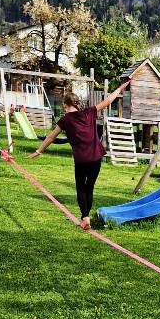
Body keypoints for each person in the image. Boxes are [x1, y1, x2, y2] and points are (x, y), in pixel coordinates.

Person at [26, 81, 130, 229]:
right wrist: (120, 88)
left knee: (81, 188)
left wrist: (38, 151)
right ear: (76, 103)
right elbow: (107, 101)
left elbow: (50, 137)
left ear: (65, 105)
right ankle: (86, 217)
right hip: (96, 157)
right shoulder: (89, 112)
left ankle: (85, 217)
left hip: (81, 160)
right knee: (90, 188)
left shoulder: (65, 120)